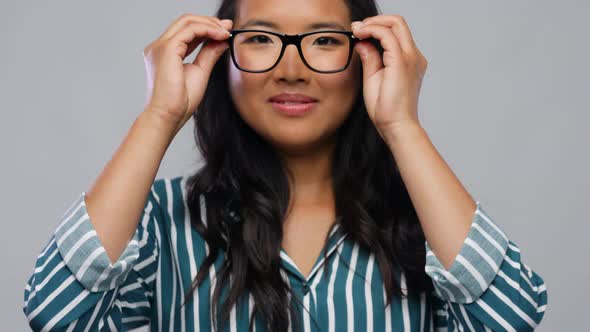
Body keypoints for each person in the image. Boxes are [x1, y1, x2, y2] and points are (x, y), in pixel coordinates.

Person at [22, 0, 549, 331]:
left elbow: (509, 318)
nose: (292, 70)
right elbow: (58, 315)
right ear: (219, 55)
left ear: (367, 54)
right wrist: (160, 115)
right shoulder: (162, 219)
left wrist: (402, 126)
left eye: (324, 41)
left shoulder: (425, 222)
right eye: (260, 40)